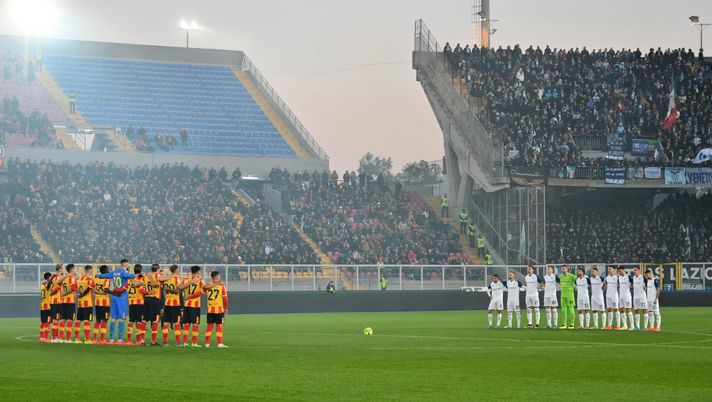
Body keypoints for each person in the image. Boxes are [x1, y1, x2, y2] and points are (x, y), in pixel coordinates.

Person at [95, 259, 136, 344]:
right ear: (125, 264)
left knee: (113, 318)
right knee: (122, 318)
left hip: (114, 297)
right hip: (121, 297)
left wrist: (97, 275)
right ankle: (120, 339)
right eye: (128, 264)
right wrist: (139, 274)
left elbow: (103, 276)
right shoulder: (125, 273)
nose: (128, 265)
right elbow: (132, 276)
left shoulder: (114, 272)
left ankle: (111, 339)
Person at [145, 263, 171, 346]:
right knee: (156, 320)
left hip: (146, 299)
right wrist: (172, 275)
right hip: (155, 299)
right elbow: (162, 279)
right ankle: (153, 341)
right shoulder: (157, 275)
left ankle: (141, 340)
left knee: (145, 320)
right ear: (158, 269)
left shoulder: (147, 276)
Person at [180, 265, 204, 348]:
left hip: (186, 305)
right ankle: (194, 343)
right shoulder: (200, 281)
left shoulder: (186, 280)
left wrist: (185, 296)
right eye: (199, 271)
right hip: (195, 306)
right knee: (195, 324)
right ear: (197, 272)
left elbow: (179, 287)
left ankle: (185, 343)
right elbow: (201, 292)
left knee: (186, 324)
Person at [204, 271, 229, 348]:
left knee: (209, 326)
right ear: (217, 277)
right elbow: (225, 299)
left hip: (210, 309)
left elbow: (203, 288)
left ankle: (207, 343)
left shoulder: (208, 285)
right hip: (219, 310)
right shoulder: (221, 286)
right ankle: (220, 343)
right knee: (219, 326)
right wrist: (226, 308)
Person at [162, 264, 183, 347]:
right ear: (176, 270)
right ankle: (178, 343)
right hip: (175, 304)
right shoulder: (176, 278)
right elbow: (178, 291)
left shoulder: (166, 279)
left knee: (166, 323)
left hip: (167, 303)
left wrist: (168, 290)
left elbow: (166, 290)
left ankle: (166, 343)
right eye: (178, 269)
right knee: (177, 323)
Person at [127, 264, 149, 346]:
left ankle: (129, 340)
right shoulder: (141, 279)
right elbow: (140, 288)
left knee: (131, 321)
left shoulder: (129, 279)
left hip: (131, 302)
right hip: (139, 302)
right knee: (139, 322)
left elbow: (125, 288)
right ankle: (138, 341)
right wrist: (149, 293)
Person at [92, 265, 112, 344]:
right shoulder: (106, 280)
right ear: (106, 271)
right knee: (104, 321)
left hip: (97, 302)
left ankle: (94, 339)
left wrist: (99, 292)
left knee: (97, 321)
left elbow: (93, 289)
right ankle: (102, 340)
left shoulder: (96, 279)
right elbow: (106, 290)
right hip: (105, 302)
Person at [76, 265, 95, 344]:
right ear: (90, 270)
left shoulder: (79, 279)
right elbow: (89, 290)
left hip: (80, 303)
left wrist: (81, 295)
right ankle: (87, 339)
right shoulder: (90, 280)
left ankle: (77, 339)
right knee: (87, 321)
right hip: (87, 303)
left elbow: (78, 289)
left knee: (78, 321)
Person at [60, 264, 79, 343]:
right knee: (70, 320)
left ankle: (60, 338)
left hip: (63, 301)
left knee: (63, 320)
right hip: (70, 301)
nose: (76, 269)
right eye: (75, 268)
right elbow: (72, 288)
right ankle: (68, 339)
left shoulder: (64, 278)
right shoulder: (71, 278)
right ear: (72, 269)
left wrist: (63, 294)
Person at [47, 264, 65, 342]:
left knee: (55, 319)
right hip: (57, 301)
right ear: (60, 269)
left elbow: (48, 286)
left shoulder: (52, 277)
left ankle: (54, 337)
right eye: (63, 268)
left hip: (52, 301)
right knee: (57, 320)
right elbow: (58, 288)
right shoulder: (58, 278)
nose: (63, 270)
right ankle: (55, 337)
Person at [559, 264, 576, 329]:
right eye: (562, 269)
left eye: (564, 269)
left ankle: (572, 324)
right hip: (563, 295)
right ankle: (564, 324)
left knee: (571, 309)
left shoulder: (571, 276)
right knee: (563, 310)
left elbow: (577, 280)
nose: (563, 270)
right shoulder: (561, 276)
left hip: (570, 295)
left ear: (567, 269)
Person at [632, 266, 648, 331]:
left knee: (644, 310)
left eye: (635, 270)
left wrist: (646, 287)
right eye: (633, 270)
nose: (634, 271)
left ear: (639, 270)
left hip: (642, 296)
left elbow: (648, 283)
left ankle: (645, 326)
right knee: (636, 310)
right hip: (635, 296)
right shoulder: (633, 278)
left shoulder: (643, 277)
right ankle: (637, 326)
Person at [617, 266, 634, 331]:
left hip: (627, 296)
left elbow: (633, 282)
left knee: (628, 310)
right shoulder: (619, 277)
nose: (619, 272)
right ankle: (625, 325)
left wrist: (631, 286)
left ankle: (632, 326)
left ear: (623, 270)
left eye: (620, 271)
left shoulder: (628, 277)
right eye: (619, 271)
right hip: (621, 296)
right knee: (621, 310)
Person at [39, 272, 52, 343]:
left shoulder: (42, 286)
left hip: (42, 305)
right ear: (49, 277)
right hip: (47, 306)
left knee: (43, 322)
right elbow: (49, 286)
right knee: (47, 322)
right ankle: (45, 338)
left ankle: (41, 337)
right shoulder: (47, 285)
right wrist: (51, 279)